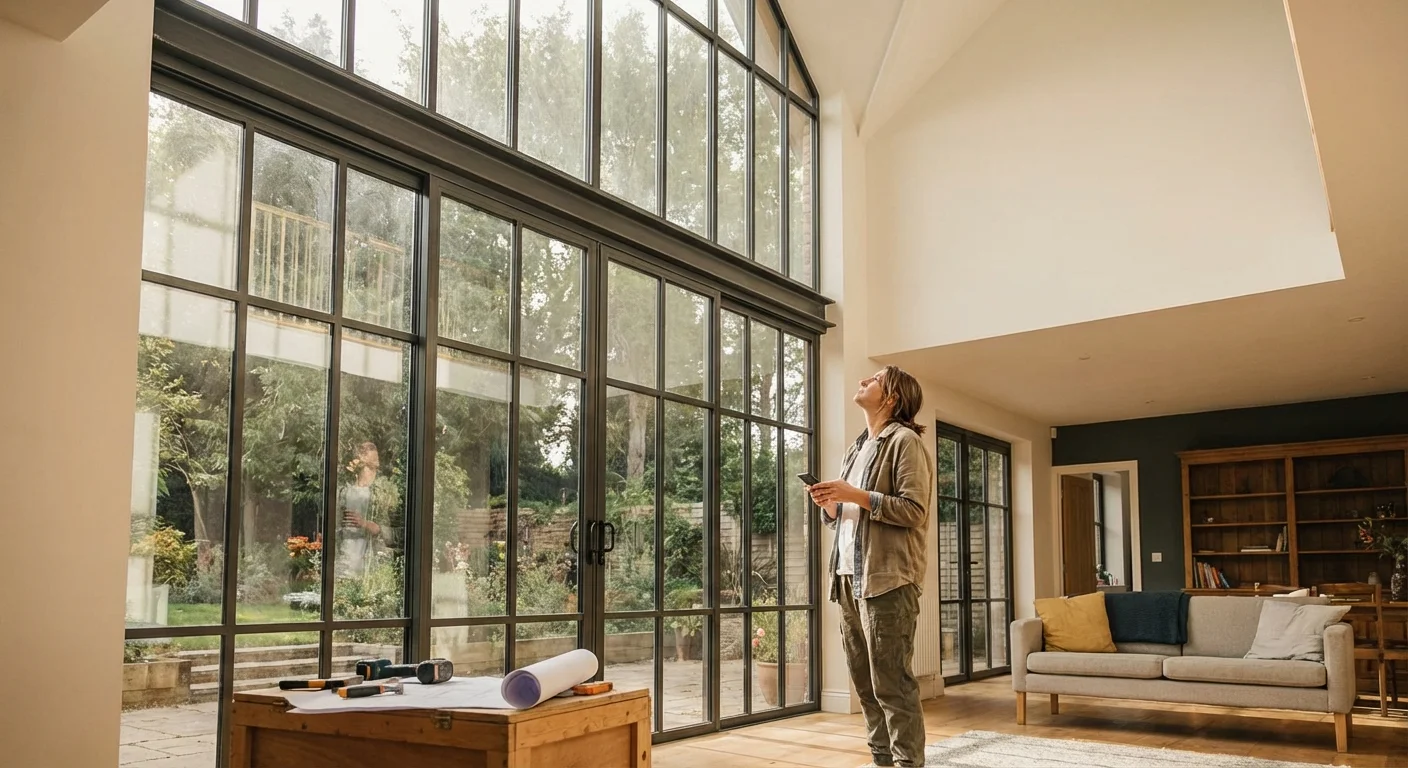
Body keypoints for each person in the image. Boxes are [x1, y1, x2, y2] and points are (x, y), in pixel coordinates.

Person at [808, 366, 934, 768]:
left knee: (892, 685)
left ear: (892, 397)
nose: (863, 381)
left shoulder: (905, 442)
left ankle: (907, 764)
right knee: (864, 685)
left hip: (888, 580)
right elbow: (849, 515)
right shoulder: (858, 446)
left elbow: (914, 510)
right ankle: (882, 761)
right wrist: (831, 504)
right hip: (848, 577)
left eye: (874, 379)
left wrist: (856, 494)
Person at [336, 440, 403, 579]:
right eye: (362, 453)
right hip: (346, 559)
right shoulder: (344, 491)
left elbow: (402, 533)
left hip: (372, 561)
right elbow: (337, 525)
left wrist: (371, 526)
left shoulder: (386, 491)